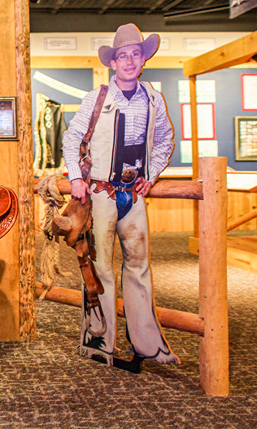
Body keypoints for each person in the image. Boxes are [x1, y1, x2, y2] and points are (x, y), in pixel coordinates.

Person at [61, 23, 178, 365]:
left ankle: (147, 343)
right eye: (122, 56)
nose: (129, 61)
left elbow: (164, 142)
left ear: (144, 60)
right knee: (100, 267)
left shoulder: (154, 99)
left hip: (133, 194)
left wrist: (150, 175)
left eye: (135, 55)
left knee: (139, 265)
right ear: (113, 62)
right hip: (100, 192)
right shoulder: (97, 98)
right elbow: (72, 139)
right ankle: (100, 339)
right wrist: (75, 178)